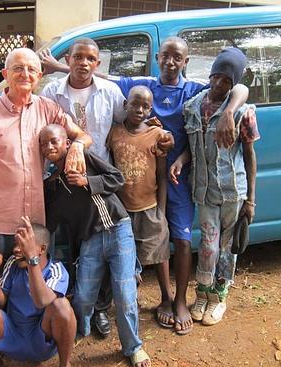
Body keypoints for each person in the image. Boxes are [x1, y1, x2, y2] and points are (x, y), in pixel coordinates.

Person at [40, 36, 247, 334]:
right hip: (125, 181)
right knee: (107, 243)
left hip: (175, 177)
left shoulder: (193, 90)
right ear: (157, 57)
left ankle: (177, 300)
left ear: (186, 62)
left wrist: (228, 112)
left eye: (178, 58)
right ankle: (104, 304)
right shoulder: (142, 85)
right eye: (165, 56)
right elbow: (98, 74)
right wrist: (59, 66)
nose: (171, 62)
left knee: (179, 239)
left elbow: (236, 86)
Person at [0, 48, 91, 267]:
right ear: (5, 74)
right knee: (1, 284)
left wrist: (77, 146)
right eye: (18, 68)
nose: (25, 73)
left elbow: (81, 135)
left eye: (31, 69)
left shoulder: (48, 109)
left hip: (37, 223)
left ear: (39, 76)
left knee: (35, 284)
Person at [41, 124, 150, 367]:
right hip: (90, 240)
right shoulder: (52, 186)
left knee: (124, 293)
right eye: (44, 144)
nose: (49, 147)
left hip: (117, 229)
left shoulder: (85, 158)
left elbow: (117, 178)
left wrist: (86, 181)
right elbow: (49, 223)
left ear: (67, 143)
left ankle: (133, 347)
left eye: (54, 141)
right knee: (82, 296)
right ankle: (81, 330)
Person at [40, 37, 126, 337]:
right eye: (78, 57)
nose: (84, 63)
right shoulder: (52, 92)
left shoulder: (111, 92)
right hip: (63, 183)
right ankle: (76, 306)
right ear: (69, 59)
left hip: (96, 181)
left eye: (90, 58)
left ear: (98, 63)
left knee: (101, 246)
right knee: (73, 248)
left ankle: (101, 308)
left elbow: (124, 125)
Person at [172, 47, 259, 326]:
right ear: (210, 75)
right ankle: (203, 293)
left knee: (226, 247)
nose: (220, 84)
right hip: (205, 191)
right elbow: (195, 148)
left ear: (234, 84)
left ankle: (220, 296)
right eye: (217, 77)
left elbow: (249, 155)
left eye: (227, 81)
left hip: (233, 191)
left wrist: (251, 201)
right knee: (208, 245)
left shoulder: (242, 113)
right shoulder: (193, 107)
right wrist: (180, 161)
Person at [0, 216, 76, 367]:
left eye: (23, 245)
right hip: (11, 335)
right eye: (16, 244)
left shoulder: (56, 271)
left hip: (40, 340)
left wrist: (32, 261)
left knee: (62, 306)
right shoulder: (13, 263)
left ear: (42, 249)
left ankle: (65, 364)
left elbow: (41, 301)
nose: (16, 249)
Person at [107, 85, 172, 328]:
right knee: (127, 257)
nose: (140, 109)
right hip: (122, 210)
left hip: (150, 206)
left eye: (145, 106)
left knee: (160, 253)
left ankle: (166, 298)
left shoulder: (157, 135)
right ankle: (129, 302)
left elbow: (162, 176)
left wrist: (162, 212)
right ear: (125, 105)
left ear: (151, 109)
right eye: (135, 104)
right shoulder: (114, 133)